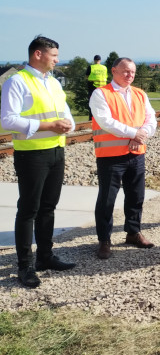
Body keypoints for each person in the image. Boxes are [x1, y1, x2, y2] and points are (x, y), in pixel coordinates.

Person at [0, 35, 76, 288]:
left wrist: (67, 125)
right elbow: (7, 120)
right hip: (31, 154)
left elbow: (64, 113)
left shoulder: (53, 83)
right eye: (54, 56)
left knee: (48, 208)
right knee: (28, 210)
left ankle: (45, 256)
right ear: (38, 55)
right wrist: (48, 125)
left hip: (56, 151)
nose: (57, 60)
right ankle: (25, 266)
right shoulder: (17, 81)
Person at [90, 57, 157, 259]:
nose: (130, 75)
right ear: (114, 71)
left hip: (136, 153)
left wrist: (141, 134)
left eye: (133, 72)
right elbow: (105, 121)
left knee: (136, 195)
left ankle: (133, 233)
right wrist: (134, 133)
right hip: (111, 156)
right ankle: (104, 240)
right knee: (107, 199)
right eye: (126, 71)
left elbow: (151, 119)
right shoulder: (101, 94)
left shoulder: (140, 94)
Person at [86, 55, 108, 120]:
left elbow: (87, 76)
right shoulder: (104, 68)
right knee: (102, 103)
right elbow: (106, 76)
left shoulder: (91, 67)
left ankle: (91, 118)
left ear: (94, 60)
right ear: (100, 60)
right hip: (103, 87)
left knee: (92, 103)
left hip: (93, 86)